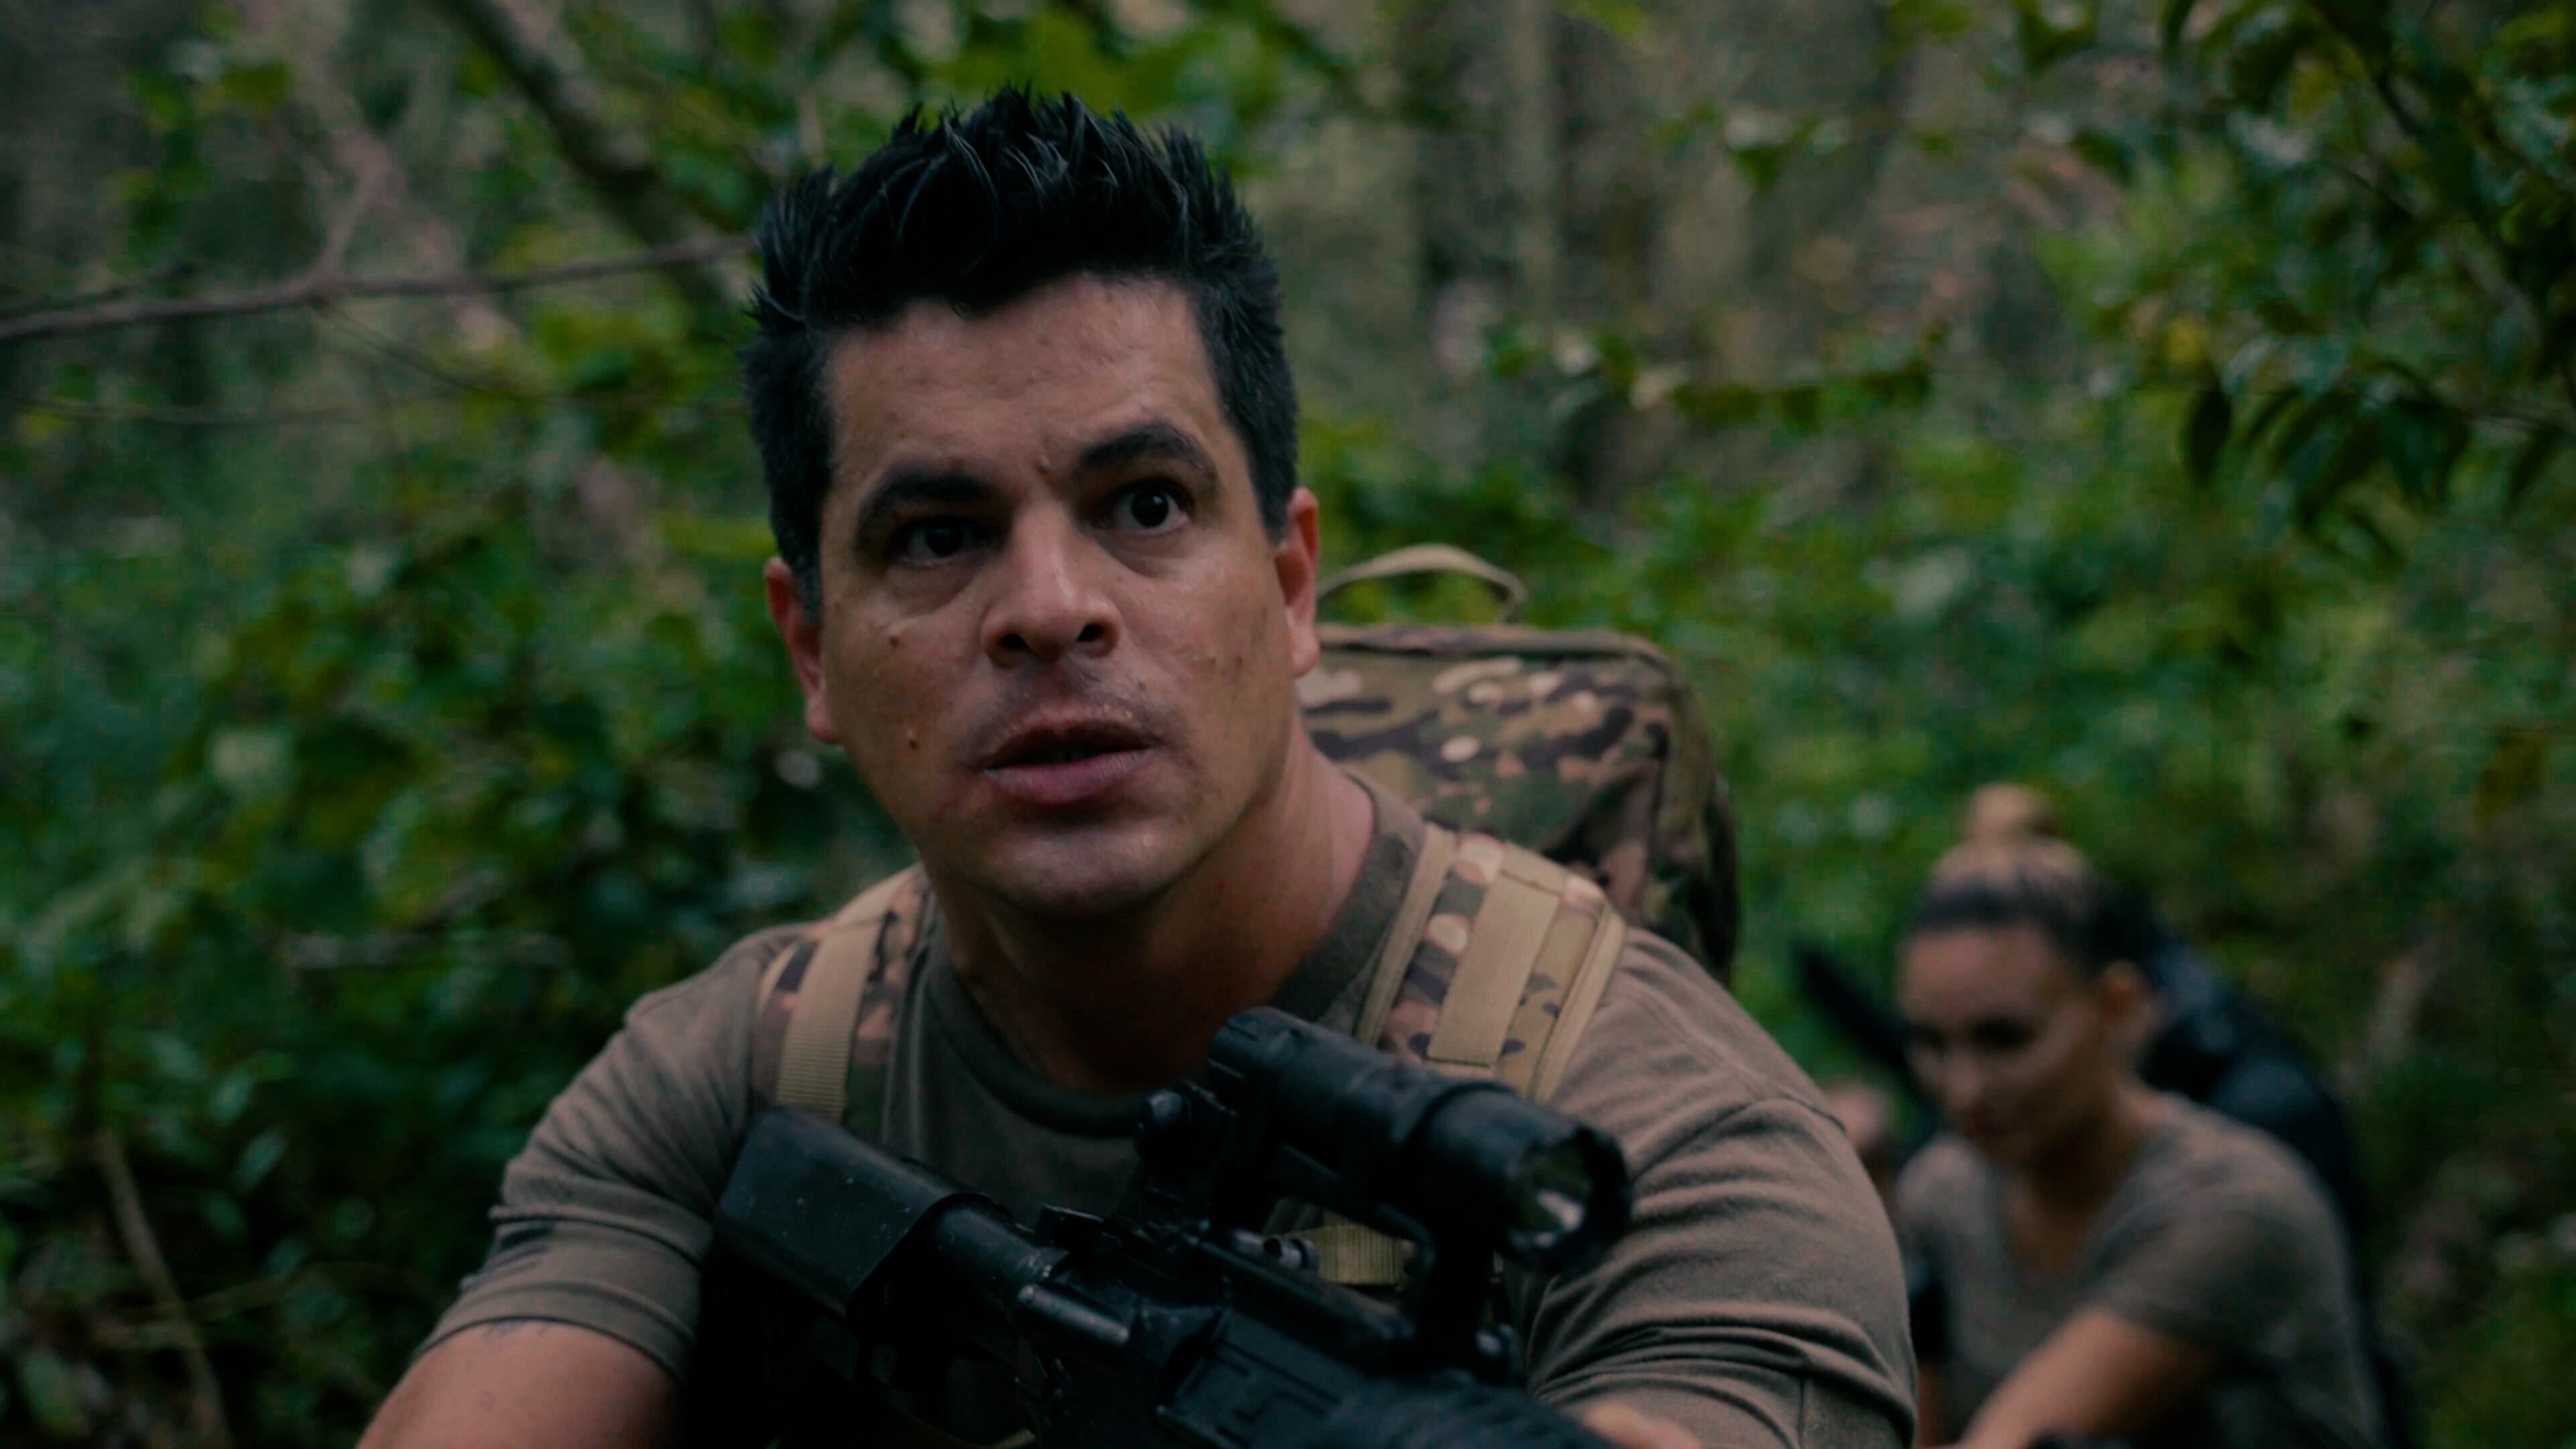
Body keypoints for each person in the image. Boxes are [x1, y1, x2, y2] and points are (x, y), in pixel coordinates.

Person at [355, 91, 1913, 1449]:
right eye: (937, 536)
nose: (1049, 609)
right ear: (813, 647)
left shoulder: (1675, 1151)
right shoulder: (738, 1080)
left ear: (1290, 585)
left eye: (1147, 504)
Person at [1890, 822, 2386, 1449]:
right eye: (1931, 1043)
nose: (1963, 1089)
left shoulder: (2236, 1209)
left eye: (2005, 1039)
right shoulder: (1942, 1194)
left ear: (2117, 1008)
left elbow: (2012, 1438)